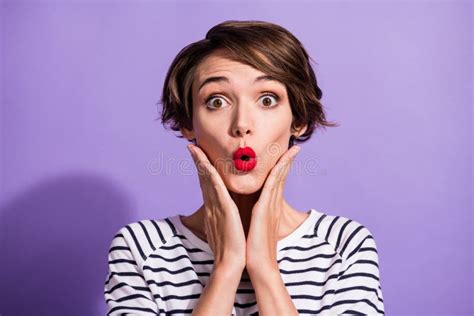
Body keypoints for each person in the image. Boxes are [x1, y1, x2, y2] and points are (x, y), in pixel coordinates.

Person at [104, 20, 385, 315]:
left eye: (267, 99)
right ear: (188, 123)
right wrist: (227, 265)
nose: (241, 125)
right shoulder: (141, 249)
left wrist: (264, 266)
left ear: (298, 119)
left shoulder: (344, 246)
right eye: (216, 101)